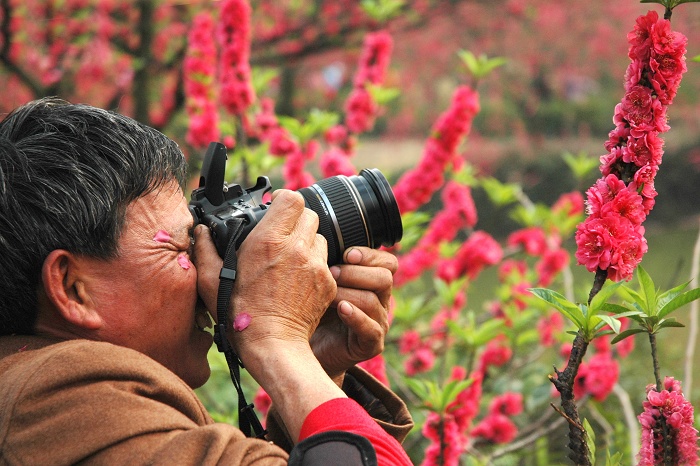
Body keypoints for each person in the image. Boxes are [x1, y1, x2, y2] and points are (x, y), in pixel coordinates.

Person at [0, 98, 413, 465]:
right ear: (74, 288)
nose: (207, 270)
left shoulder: (36, 382)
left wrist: (315, 369)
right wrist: (278, 343)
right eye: (184, 247)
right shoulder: (68, 398)